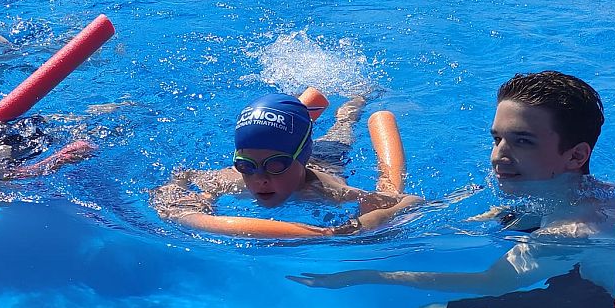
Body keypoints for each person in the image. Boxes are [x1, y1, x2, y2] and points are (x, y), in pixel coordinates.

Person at [290, 72, 615, 308]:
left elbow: (491, 282)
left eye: (523, 141)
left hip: (600, 303)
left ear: (576, 156)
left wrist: (367, 275)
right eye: (497, 139)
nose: (499, 156)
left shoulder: (569, 230)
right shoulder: (580, 193)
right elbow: (475, 220)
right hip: (581, 270)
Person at [152, 93, 421, 233]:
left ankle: (353, 105)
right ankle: (301, 115)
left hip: (327, 160)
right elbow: (184, 175)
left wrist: (375, 213)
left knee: (343, 130)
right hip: (294, 147)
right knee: (281, 137)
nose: (260, 179)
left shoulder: (327, 191)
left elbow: (405, 201)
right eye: (246, 165)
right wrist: (190, 194)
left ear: (300, 159)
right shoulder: (230, 179)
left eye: (275, 165)